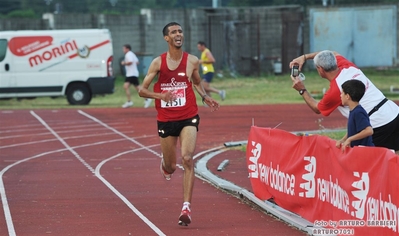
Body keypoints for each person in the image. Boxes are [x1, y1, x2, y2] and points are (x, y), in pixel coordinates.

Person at [138, 22, 220, 226]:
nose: (178, 34)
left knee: (187, 158)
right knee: (172, 165)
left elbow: (197, 82)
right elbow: (142, 90)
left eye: (180, 31)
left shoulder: (192, 60)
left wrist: (204, 96)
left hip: (188, 116)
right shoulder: (158, 63)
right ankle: (165, 165)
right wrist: (161, 95)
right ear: (166, 38)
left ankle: (186, 207)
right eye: (173, 32)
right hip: (166, 119)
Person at [290, 50, 399, 154]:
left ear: (320, 70)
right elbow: (333, 53)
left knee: (375, 162)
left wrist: (302, 89)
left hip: (378, 123)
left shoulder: (336, 90)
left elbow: (317, 108)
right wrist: (305, 57)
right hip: (393, 111)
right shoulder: (347, 66)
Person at [336, 79, 374, 152]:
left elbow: (369, 131)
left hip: (365, 152)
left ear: (347, 96)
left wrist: (350, 139)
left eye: (342, 93)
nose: (340, 96)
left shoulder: (358, 112)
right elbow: (354, 131)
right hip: (358, 152)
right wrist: (343, 140)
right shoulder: (353, 111)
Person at [121, 44, 152, 108]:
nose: (123, 50)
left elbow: (130, 62)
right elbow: (137, 62)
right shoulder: (132, 54)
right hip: (132, 73)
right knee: (134, 87)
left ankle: (145, 99)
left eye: (124, 49)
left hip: (131, 74)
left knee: (130, 87)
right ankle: (145, 99)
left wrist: (124, 63)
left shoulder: (128, 54)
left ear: (127, 49)